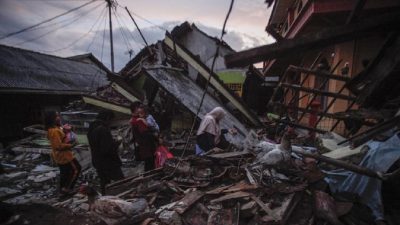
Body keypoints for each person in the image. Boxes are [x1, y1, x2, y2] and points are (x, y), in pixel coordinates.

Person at [87, 110, 124, 195]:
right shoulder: (103, 129)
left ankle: (104, 200)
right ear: (107, 118)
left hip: (97, 161)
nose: (111, 123)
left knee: (104, 183)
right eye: (111, 120)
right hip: (109, 162)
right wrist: (116, 143)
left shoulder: (92, 128)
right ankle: (123, 198)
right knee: (121, 182)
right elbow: (106, 149)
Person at [45, 111, 81, 197]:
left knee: (65, 172)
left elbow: (60, 140)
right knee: (76, 169)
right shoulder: (54, 131)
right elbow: (58, 146)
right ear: (52, 119)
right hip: (64, 156)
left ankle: (63, 189)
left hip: (62, 155)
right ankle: (67, 189)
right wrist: (72, 145)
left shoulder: (55, 129)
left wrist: (66, 131)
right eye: (56, 116)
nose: (59, 117)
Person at [131, 105, 157, 171]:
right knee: (150, 162)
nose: (140, 113)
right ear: (136, 109)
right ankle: (150, 176)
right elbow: (146, 133)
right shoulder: (139, 121)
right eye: (139, 111)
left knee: (148, 162)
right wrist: (156, 138)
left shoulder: (133, 120)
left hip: (143, 145)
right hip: (147, 145)